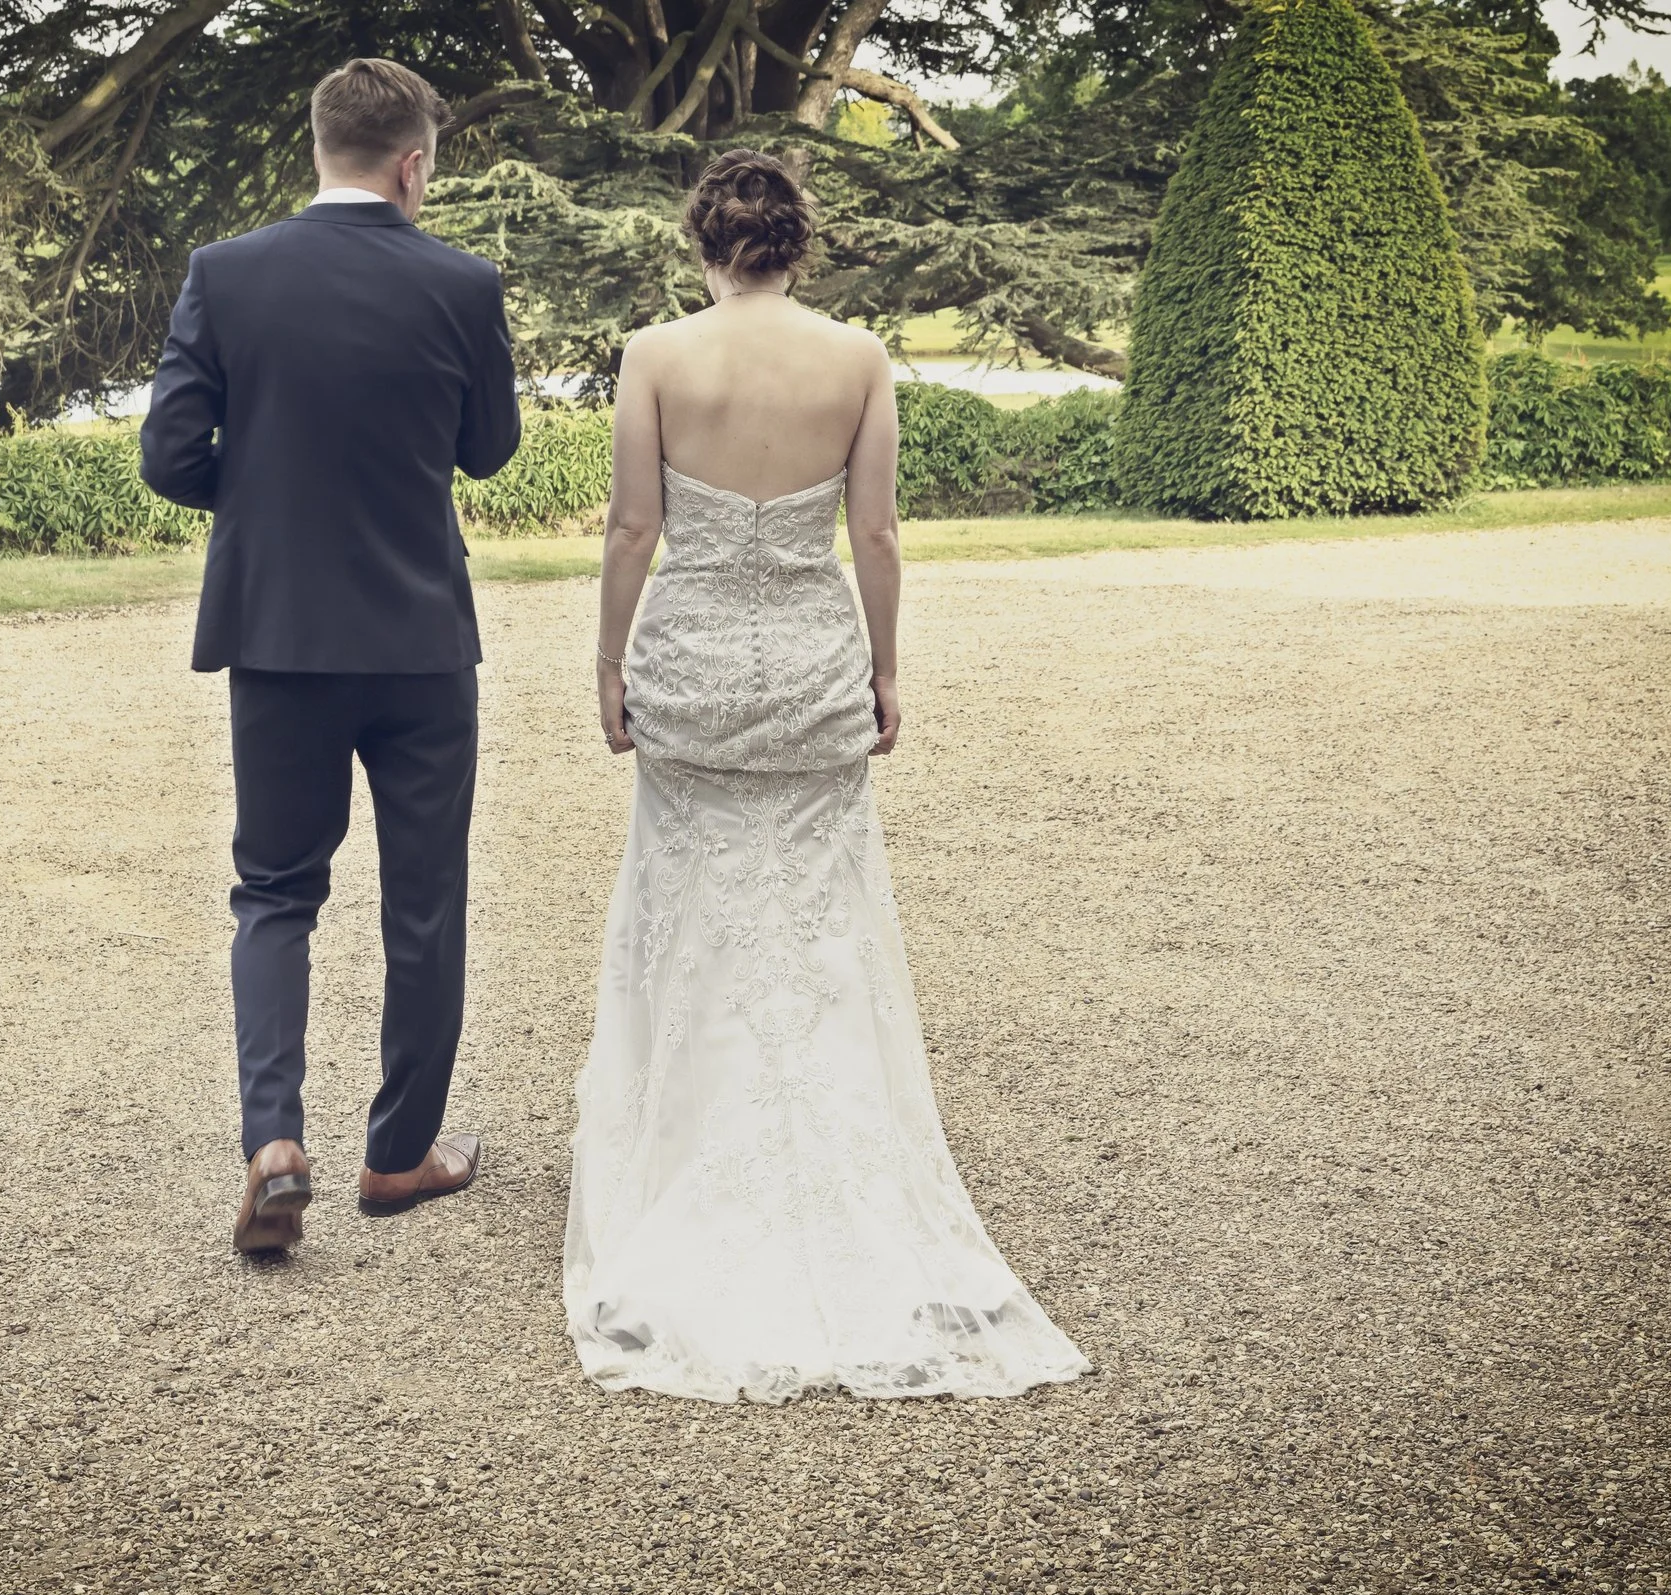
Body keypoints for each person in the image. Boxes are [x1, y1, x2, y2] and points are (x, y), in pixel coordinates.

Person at [568, 150, 1091, 1401]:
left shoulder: (653, 355)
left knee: (686, 905)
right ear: (803, 244)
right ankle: (830, 1154)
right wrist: (885, 672)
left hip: (692, 668)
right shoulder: (858, 358)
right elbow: (874, 532)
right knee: (817, 920)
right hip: (811, 670)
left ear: (701, 243)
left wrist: (605, 666)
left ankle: (685, 1154)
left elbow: (635, 529)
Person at [139, 58, 521, 1253]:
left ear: (322, 148)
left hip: (280, 636)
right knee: (425, 899)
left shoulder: (226, 274)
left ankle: (273, 1142)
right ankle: (399, 1156)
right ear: (413, 162)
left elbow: (166, 456)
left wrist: (260, 497)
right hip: (416, 641)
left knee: (274, 890)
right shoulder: (463, 283)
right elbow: (490, 451)